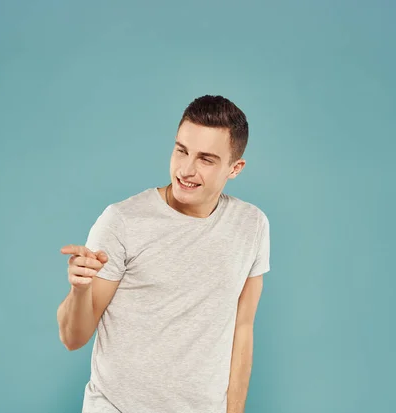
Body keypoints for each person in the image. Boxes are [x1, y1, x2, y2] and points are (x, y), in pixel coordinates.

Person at [57, 95, 271, 413]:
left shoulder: (252, 225)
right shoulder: (123, 221)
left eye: (206, 159)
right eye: (181, 150)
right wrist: (80, 289)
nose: (186, 169)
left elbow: (243, 328)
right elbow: (73, 338)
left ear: (235, 168)